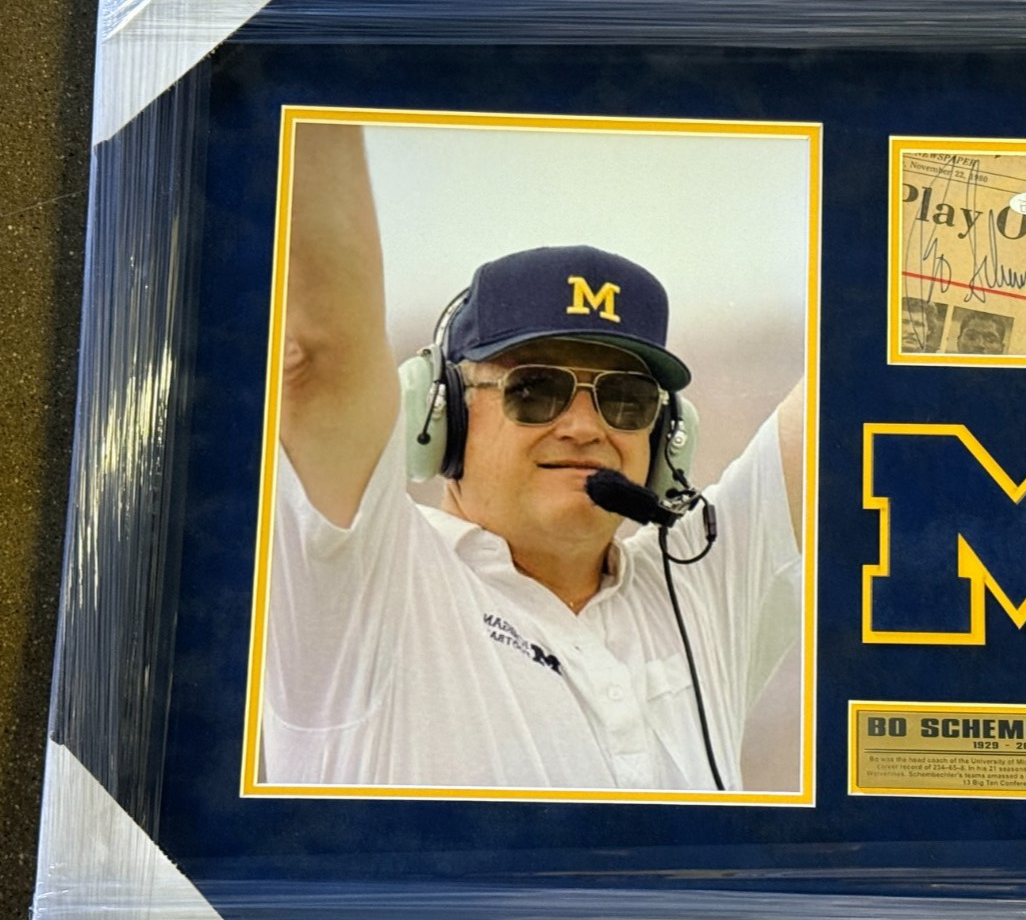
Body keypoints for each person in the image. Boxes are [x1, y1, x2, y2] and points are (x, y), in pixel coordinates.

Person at [260, 123, 804, 792]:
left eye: (625, 399)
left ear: (667, 435)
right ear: (443, 413)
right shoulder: (360, 583)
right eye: (535, 389)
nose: (584, 427)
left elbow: (859, 372)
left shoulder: (701, 589)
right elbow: (316, 357)